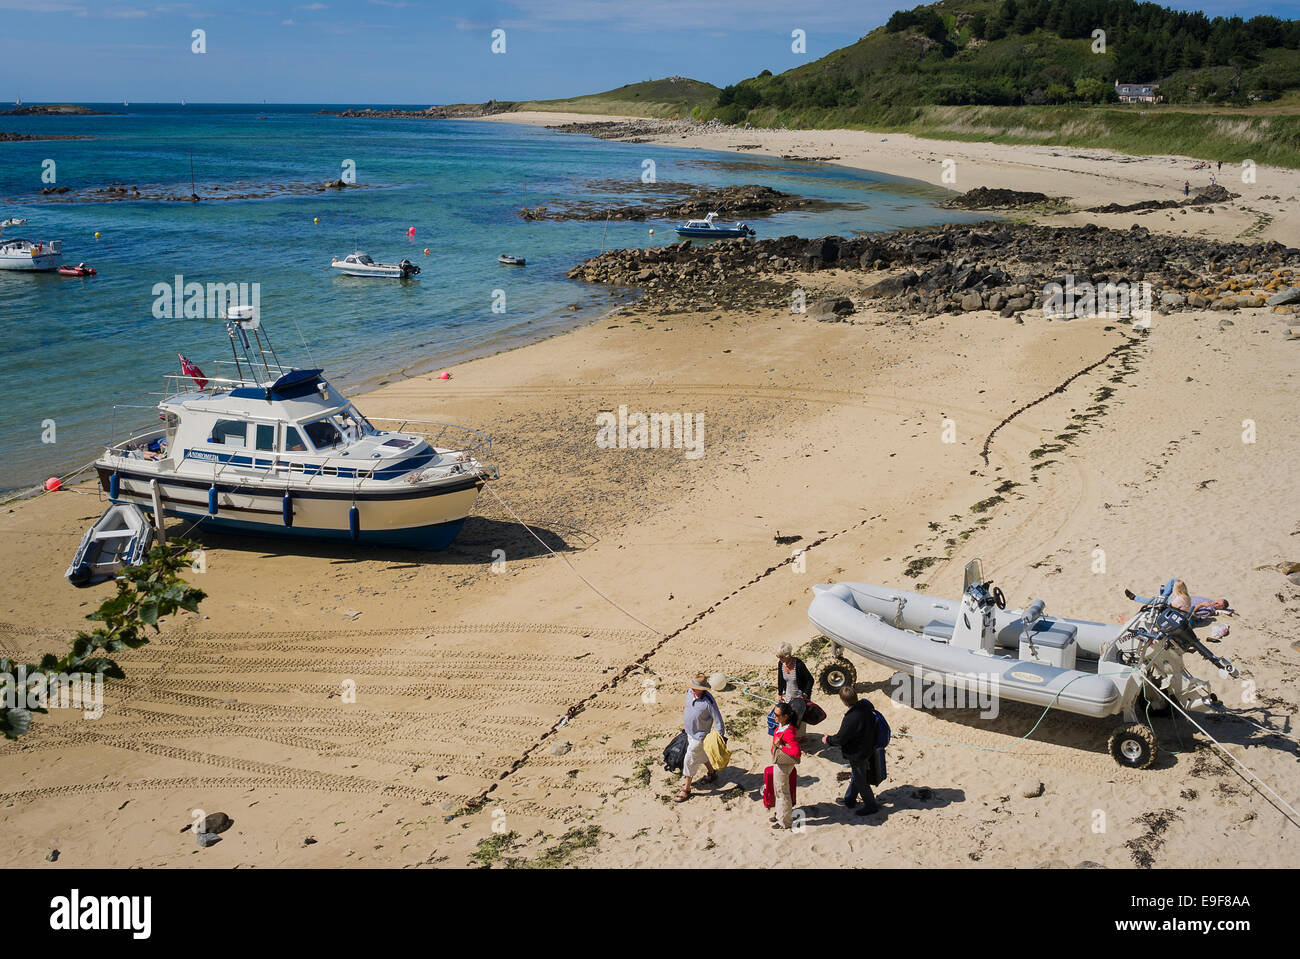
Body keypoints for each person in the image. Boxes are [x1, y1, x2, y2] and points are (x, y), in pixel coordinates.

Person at [822, 687, 879, 816]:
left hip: (858, 752)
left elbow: (841, 738)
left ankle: (871, 805)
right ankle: (850, 800)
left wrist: (827, 739)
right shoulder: (866, 706)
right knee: (857, 775)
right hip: (868, 747)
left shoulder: (851, 717)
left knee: (860, 780)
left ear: (844, 702)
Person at [676, 674, 725, 803]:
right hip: (689, 732)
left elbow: (719, 721)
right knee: (701, 754)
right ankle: (712, 773)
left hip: (700, 736)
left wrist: (720, 740)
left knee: (690, 759)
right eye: (692, 687)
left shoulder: (709, 702)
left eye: (695, 688)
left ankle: (686, 789)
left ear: (703, 689)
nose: (692, 689)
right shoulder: (689, 693)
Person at [770, 701, 801, 829]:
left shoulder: (788, 731)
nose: (774, 717)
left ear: (785, 716)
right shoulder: (782, 727)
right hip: (780, 763)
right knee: (779, 790)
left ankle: (785, 822)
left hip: (783, 765)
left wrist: (781, 746)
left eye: (777, 715)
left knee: (783, 792)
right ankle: (780, 814)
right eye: (774, 713)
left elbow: (797, 752)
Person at [775, 643, 813, 738]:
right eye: (778, 656)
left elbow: (810, 680)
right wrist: (780, 694)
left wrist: (805, 694)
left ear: (788, 656)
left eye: (781, 656)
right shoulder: (781, 663)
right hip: (788, 698)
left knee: (799, 720)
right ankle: (791, 738)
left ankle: (800, 739)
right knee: (787, 720)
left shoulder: (799, 664)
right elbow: (780, 679)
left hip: (800, 699)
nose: (779, 658)